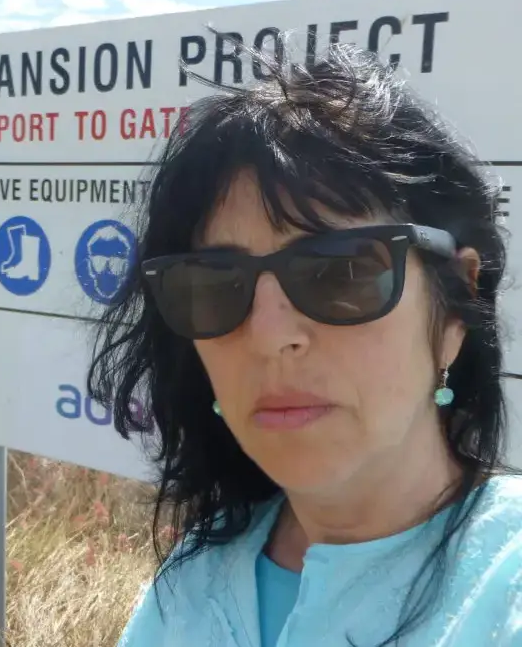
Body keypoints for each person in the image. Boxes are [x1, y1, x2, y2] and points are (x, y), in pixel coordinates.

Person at [86, 40, 522, 646]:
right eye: (214, 286)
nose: (269, 337)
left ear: (455, 307)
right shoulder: (196, 580)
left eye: (340, 272)